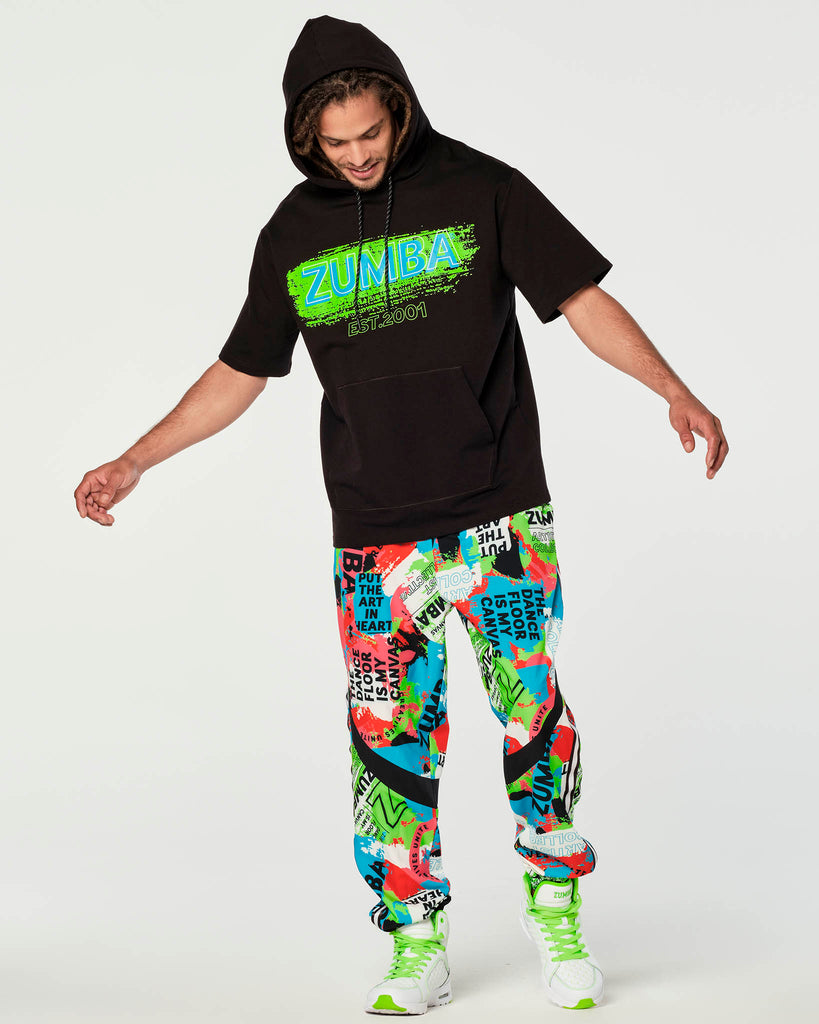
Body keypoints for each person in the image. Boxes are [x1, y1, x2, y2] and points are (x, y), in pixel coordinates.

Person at [74, 14, 728, 1015]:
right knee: (388, 744)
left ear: (400, 108)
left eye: (369, 134)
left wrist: (671, 389)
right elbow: (241, 370)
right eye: (334, 143)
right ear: (307, 138)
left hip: (500, 515)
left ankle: (556, 911)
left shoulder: (482, 189)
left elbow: (582, 299)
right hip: (374, 532)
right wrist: (135, 459)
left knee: (533, 719)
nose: (356, 156)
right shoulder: (294, 232)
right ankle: (416, 938)